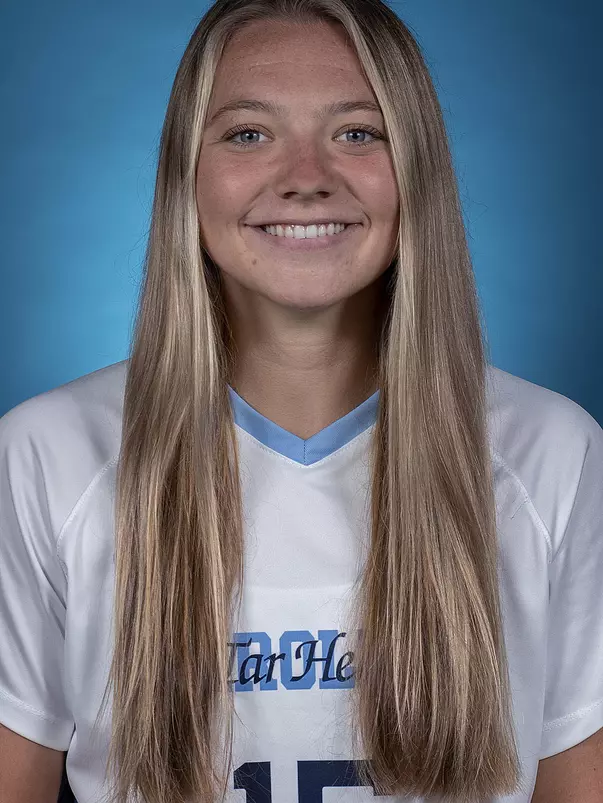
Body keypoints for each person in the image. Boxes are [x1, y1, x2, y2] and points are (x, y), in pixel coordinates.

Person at [1, 1, 602, 801]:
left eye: (357, 132)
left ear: (416, 165)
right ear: (187, 168)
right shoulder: (48, 454)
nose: (307, 178)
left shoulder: (552, 454)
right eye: (248, 133)